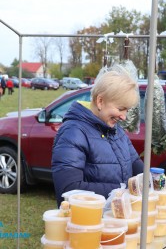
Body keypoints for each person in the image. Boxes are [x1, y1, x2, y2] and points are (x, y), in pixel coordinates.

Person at [52, 65, 144, 207]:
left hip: (113, 218)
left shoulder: (115, 130)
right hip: (88, 222)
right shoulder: (73, 132)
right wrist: (123, 192)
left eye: (127, 110)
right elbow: (68, 189)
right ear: (100, 101)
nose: (124, 117)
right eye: (120, 109)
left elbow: (135, 163)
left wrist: (151, 180)